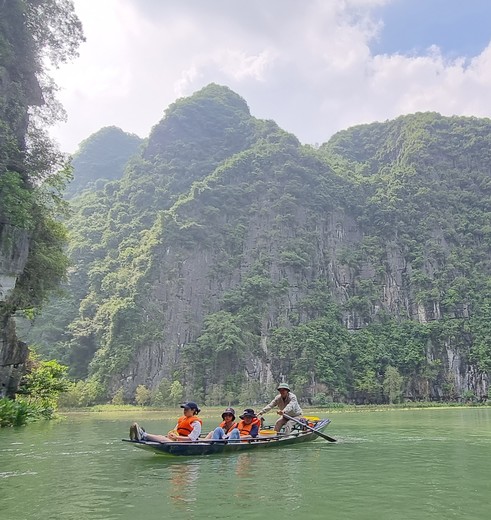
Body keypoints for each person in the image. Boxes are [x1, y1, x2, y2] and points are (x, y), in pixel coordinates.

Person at [129, 401, 202, 442]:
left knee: (164, 440)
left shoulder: (196, 423)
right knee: (161, 437)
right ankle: (143, 436)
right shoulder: (182, 420)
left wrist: (177, 437)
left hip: (186, 443)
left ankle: (143, 435)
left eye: (187, 409)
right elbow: (175, 431)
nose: (184, 411)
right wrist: (171, 435)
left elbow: (192, 438)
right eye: (184, 409)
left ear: (193, 410)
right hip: (178, 440)